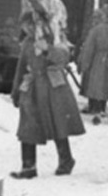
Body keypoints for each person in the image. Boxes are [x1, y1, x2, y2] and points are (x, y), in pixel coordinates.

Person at [10, 10, 85, 179]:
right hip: (32, 88)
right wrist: (15, 91)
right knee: (28, 126)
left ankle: (66, 160)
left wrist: (47, 49)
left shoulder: (55, 38)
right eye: (25, 26)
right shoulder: (28, 43)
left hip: (53, 88)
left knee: (58, 123)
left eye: (30, 25)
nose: (27, 29)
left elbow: (63, 57)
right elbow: (21, 67)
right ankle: (28, 167)